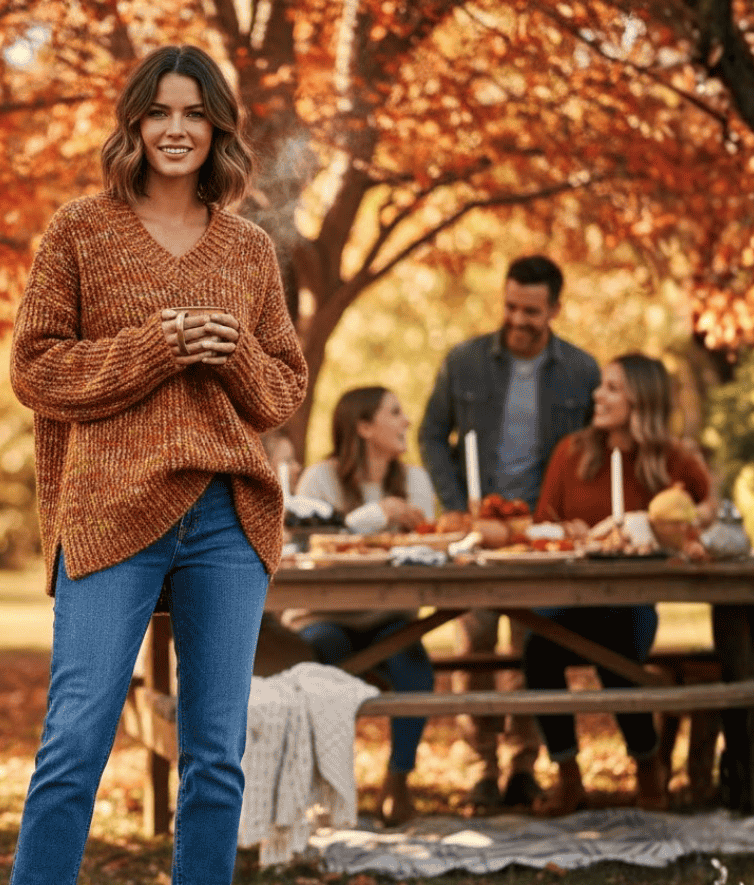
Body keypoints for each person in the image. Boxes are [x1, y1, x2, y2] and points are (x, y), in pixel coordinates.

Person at [0, 44, 307, 885]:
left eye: (195, 114)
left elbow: (284, 390)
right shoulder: (80, 230)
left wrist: (234, 352)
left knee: (214, 755)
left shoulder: (251, 250)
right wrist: (155, 348)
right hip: (109, 508)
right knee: (74, 745)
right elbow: (34, 368)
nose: (176, 129)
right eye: (159, 112)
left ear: (219, 129)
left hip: (226, 514)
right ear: (134, 124)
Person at [416, 256, 600, 810]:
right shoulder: (465, 362)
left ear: (554, 310)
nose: (518, 319)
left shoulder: (582, 372)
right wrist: (454, 504)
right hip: (478, 528)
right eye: (511, 306)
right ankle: (481, 769)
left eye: (531, 310)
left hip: (539, 532)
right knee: (473, 644)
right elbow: (429, 436)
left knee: (528, 649)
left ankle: (523, 767)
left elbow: (591, 452)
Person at [526, 354, 715, 816]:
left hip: (630, 602)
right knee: (537, 652)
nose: (597, 395)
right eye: (601, 387)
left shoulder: (673, 460)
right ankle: (569, 777)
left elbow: (707, 508)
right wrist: (564, 531)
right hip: (570, 600)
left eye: (611, 388)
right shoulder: (573, 451)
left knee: (618, 652)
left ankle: (647, 766)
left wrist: (686, 529)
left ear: (641, 400)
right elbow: (541, 524)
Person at [284, 387, 437, 825]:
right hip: (323, 616)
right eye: (395, 413)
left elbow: (422, 554)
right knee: (323, 656)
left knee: (414, 666)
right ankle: (331, 785)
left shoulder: (416, 482)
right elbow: (304, 544)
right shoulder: (320, 479)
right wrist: (375, 516)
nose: (406, 422)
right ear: (364, 428)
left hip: (390, 617)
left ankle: (398, 779)